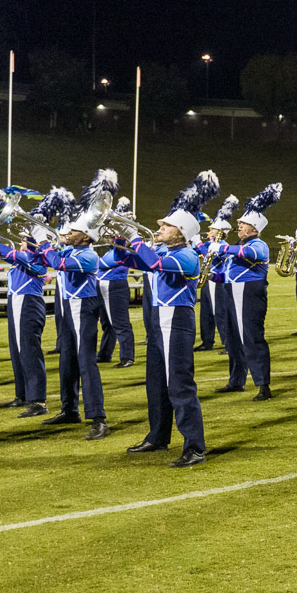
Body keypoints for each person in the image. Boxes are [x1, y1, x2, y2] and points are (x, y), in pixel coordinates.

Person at [118, 199, 208, 467]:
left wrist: (134, 237)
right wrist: (118, 236)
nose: (160, 228)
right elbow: (127, 259)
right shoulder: (166, 252)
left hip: (178, 320)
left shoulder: (187, 256)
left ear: (180, 232)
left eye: (166, 226)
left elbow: (155, 264)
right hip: (159, 319)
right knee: (156, 382)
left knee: (180, 384)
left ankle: (195, 447)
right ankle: (158, 436)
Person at [38, 170, 116, 440]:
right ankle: (69, 408)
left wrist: (43, 244)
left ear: (85, 237)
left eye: (73, 231)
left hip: (83, 307)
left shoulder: (87, 256)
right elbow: (49, 257)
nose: (67, 232)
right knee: (67, 359)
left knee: (86, 361)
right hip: (69, 307)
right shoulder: (72, 249)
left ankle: (99, 417)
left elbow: (57, 262)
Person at [211, 184, 279, 401]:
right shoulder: (235, 247)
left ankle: (263, 386)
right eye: (239, 222)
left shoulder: (259, 245)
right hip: (232, 292)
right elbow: (225, 274)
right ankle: (236, 381)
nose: (238, 225)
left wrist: (221, 248)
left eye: (244, 223)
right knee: (232, 339)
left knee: (252, 338)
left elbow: (246, 253)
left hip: (250, 293)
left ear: (255, 229)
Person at [0, 221, 49, 415]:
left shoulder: (37, 260)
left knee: (29, 352)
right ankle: (22, 394)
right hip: (17, 304)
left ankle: (38, 401)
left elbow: (7, 253)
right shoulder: (23, 258)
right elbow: (3, 255)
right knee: (17, 351)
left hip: (29, 305)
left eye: (24, 240)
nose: (20, 243)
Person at [95, 196, 136, 369]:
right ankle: (105, 354)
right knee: (107, 324)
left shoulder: (121, 252)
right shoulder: (112, 251)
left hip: (115, 287)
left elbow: (100, 265)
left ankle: (127, 356)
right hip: (104, 286)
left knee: (120, 323)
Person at [196, 195, 238, 353]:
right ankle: (207, 341)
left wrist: (198, 243)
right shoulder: (209, 243)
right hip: (207, 279)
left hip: (218, 281)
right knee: (206, 312)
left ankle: (228, 343)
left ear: (220, 232)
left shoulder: (223, 245)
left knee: (220, 312)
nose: (209, 230)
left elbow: (208, 253)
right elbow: (198, 250)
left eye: (212, 229)